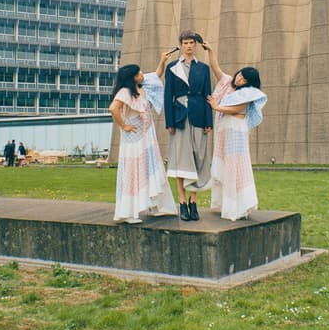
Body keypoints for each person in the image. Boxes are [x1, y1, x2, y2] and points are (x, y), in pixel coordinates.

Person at [109, 50, 177, 223]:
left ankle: (156, 205)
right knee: (133, 171)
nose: (142, 75)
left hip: (147, 136)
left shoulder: (142, 87)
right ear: (132, 78)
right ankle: (129, 212)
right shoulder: (125, 92)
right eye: (138, 73)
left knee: (150, 168)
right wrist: (124, 125)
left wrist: (162, 60)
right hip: (134, 139)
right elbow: (113, 108)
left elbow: (156, 75)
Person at [203, 43, 267, 221]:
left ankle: (238, 206)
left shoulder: (248, 93)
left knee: (236, 164)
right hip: (224, 130)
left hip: (235, 130)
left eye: (244, 79)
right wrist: (211, 51)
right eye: (240, 75)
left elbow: (238, 109)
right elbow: (215, 68)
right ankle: (224, 204)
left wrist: (217, 106)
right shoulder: (227, 83)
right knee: (224, 163)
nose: (239, 79)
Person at [164, 30, 213, 221]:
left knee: (198, 157)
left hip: (200, 116)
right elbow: (168, 95)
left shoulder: (203, 68)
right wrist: (169, 121)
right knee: (181, 160)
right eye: (185, 43)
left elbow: (208, 95)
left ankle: (194, 202)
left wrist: (209, 121)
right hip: (180, 117)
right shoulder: (172, 67)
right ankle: (182, 202)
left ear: (195, 44)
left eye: (192, 42)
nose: (189, 46)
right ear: (181, 45)